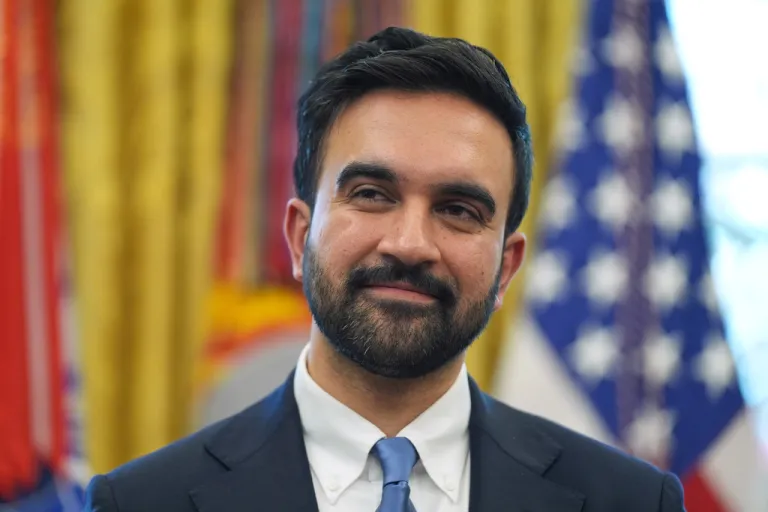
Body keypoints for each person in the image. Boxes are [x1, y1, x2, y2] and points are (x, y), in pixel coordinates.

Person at [83, 27, 685, 512]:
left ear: (506, 269)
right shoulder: (139, 502)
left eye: (457, 209)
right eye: (371, 193)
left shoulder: (631, 501)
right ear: (299, 238)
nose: (409, 243)